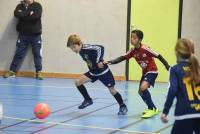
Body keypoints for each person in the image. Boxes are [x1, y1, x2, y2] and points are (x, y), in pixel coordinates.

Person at [105, 29, 170, 118]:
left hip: (152, 71)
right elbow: (122, 57)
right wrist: (111, 62)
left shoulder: (145, 49)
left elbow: (159, 55)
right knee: (140, 92)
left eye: (134, 38)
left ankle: (151, 109)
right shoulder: (132, 50)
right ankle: (153, 108)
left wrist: (167, 66)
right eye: (131, 37)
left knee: (143, 88)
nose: (132, 39)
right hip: (145, 72)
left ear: (139, 40)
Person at [66, 34, 128, 115]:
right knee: (77, 82)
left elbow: (100, 47)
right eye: (71, 48)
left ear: (80, 44)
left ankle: (122, 106)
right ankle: (88, 100)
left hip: (103, 72)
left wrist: (99, 61)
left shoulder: (86, 47)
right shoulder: (80, 51)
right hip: (93, 73)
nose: (73, 50)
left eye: (74, 47)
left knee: (112, 90)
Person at [161, 38, 200, 134]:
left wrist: (165, 111)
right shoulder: (197, 68)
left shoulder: (175, 69)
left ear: (177, 52)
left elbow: (172, 90)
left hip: (184, 113)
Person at [3, 0, 43, 80]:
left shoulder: (37, 5)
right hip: (23, 35)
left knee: (37, 54)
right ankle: (12, 72)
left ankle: (38, 72)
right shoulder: (19, 6)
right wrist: (29, 13)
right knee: (18, 53)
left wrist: (23, 15)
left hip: (36, 35)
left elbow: (36, 16)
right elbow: (17, 14)